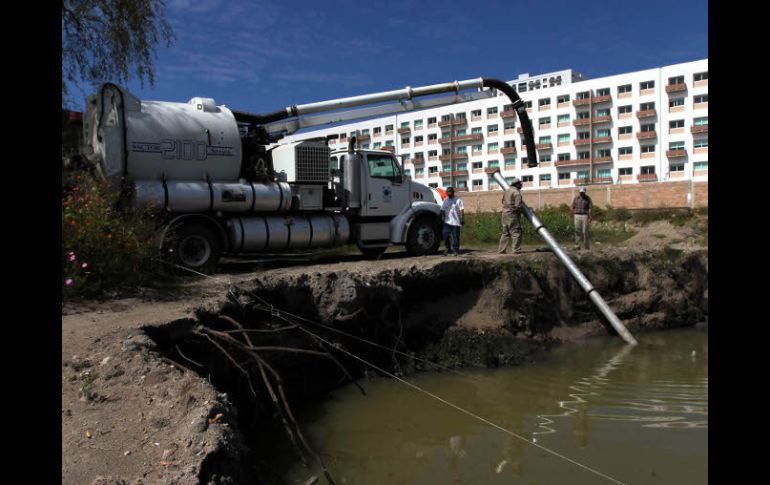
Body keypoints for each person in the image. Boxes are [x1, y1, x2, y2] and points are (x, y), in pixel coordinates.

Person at [498, 177, 523, 254]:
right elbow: (517, 206)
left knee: (505, 233)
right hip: (512, 215)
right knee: (516, 232)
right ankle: (516, 250)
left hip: (504, 214)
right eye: (520, 183)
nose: (521, 185)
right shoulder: (516, 193)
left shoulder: (507, 191)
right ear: (517, 184)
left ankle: (501, 250)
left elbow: (502, 201)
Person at [440, 186, 464, 255]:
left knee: (456, 237)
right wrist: (440, 217)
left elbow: (461, 209)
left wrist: (462, 218)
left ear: (453, 192)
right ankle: (448, 248)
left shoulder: (458, 200)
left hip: (456, 222)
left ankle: (455, 250)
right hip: (447, 221)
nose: (449, 194)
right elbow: (442, 209)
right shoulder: (445, 200)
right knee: (445, 235)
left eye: (450, 192)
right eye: (447, 193)